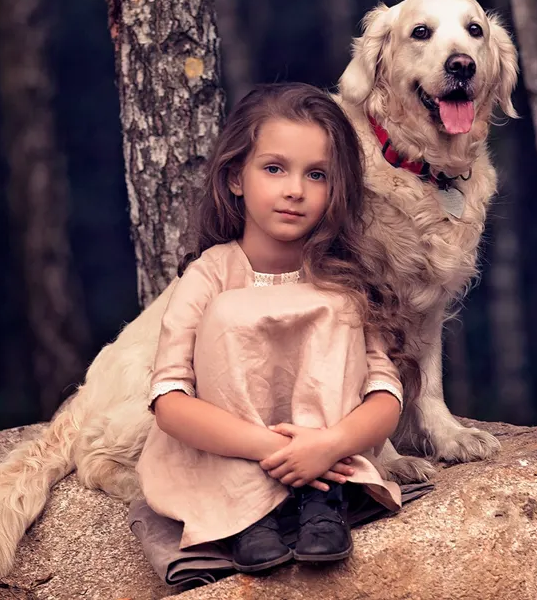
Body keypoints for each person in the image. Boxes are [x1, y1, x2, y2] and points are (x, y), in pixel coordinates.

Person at [137, 82, 415, 576]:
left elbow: (384, 393)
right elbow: (170, 400)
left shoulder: (345, 278)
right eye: (274, 169)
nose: (295, 190)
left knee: (334, 305)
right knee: (229, 312)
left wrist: (327, 448)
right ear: (235, 178)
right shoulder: (210, 274)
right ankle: (248, 513)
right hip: (235, 458)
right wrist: (279, 451)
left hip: (327, 461)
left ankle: (321, 499)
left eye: (317, 175)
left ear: (338, 188)